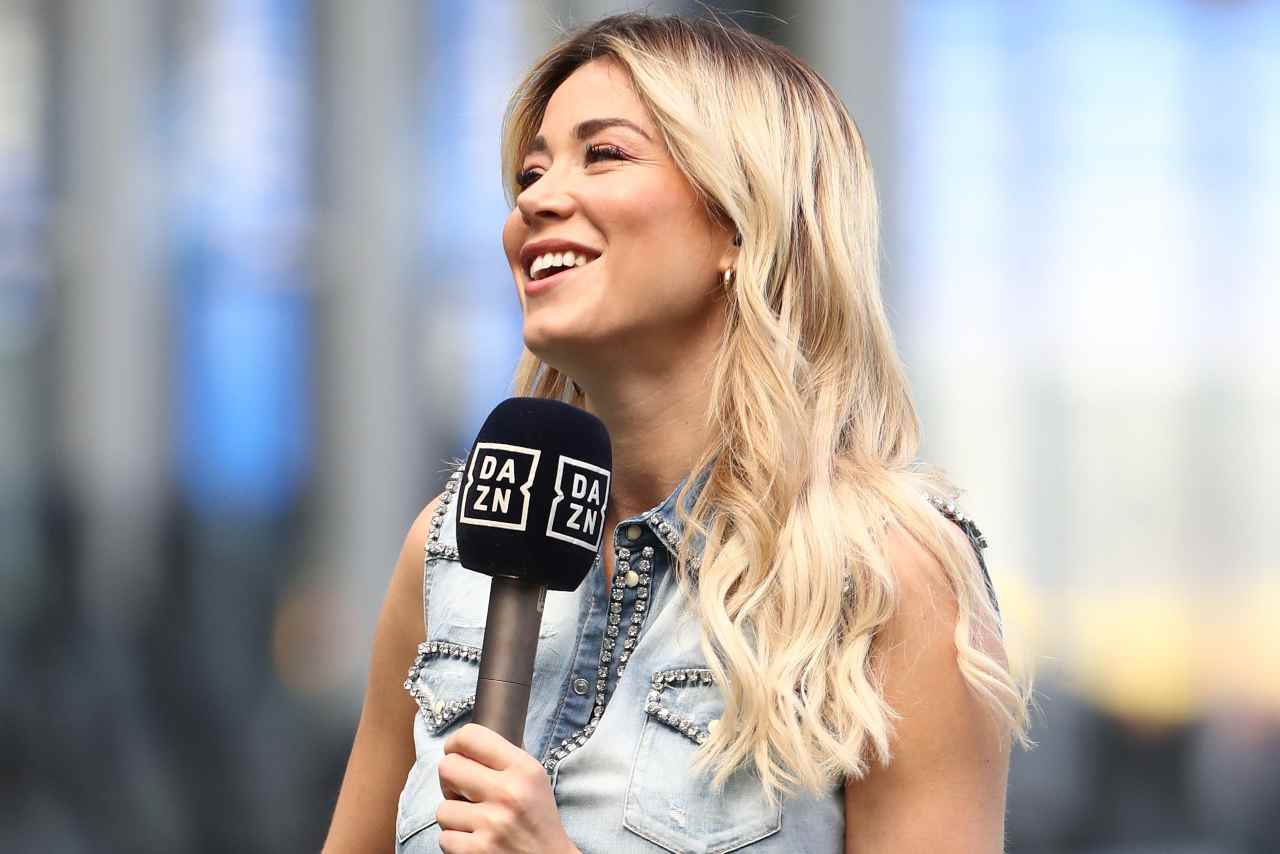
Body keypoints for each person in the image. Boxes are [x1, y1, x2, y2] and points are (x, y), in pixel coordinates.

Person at [324, 12, 1034, 854]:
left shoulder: (885, 578)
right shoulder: (447, 550)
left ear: (739, 220)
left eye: (604, 154)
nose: (535, 200)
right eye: (530, 172)